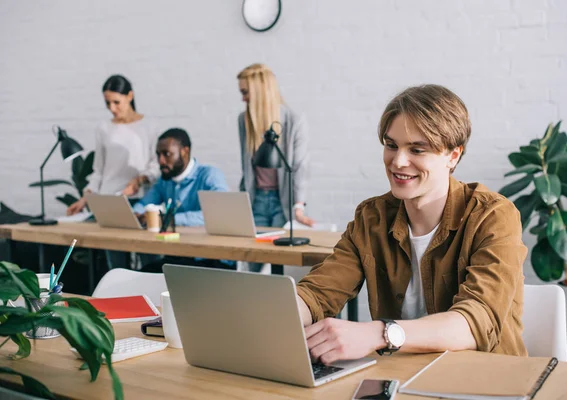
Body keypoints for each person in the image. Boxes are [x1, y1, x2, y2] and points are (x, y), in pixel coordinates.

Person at [295, 84, 527, 365]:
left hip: (485, 380)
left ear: (453, 156)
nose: (398, 162)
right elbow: (318, 293)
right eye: (391, 145)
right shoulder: (372, 218)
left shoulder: (492, 216)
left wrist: (379, 334)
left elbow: (477, 320)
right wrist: (284, 310)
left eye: (417, 150)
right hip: (400, 378)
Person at [237, 63, 314, 272]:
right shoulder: (244, 121)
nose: (242, 98)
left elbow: (299, 166)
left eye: (245, 92)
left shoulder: (293, 121)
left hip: (283, 202)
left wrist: (298, 207)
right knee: (251, 266)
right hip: (257, 200)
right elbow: (246, 168)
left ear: (260, 92)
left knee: (281, 264)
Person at [133, 128, 234, 271]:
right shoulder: (165, 180)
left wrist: (170, 220)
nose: (161, 161)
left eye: (167, 154)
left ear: (184, 152)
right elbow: (144, 203)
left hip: (210, 259)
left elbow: (218, 215)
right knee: (142, 274)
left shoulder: (209, 176)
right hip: (180, 255)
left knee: (152, 274)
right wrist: (136, 215)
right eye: (158, 155)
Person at [67, 75, 159, 215]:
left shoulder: (150, 127)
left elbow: (156, 166)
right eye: (108, 103)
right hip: (107, 199)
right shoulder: (103, 128)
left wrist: (139, 180)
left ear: (130, 96)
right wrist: (84, 200)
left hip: (138, 200)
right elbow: (99, 171)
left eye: (116, 102)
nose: (112, 108)